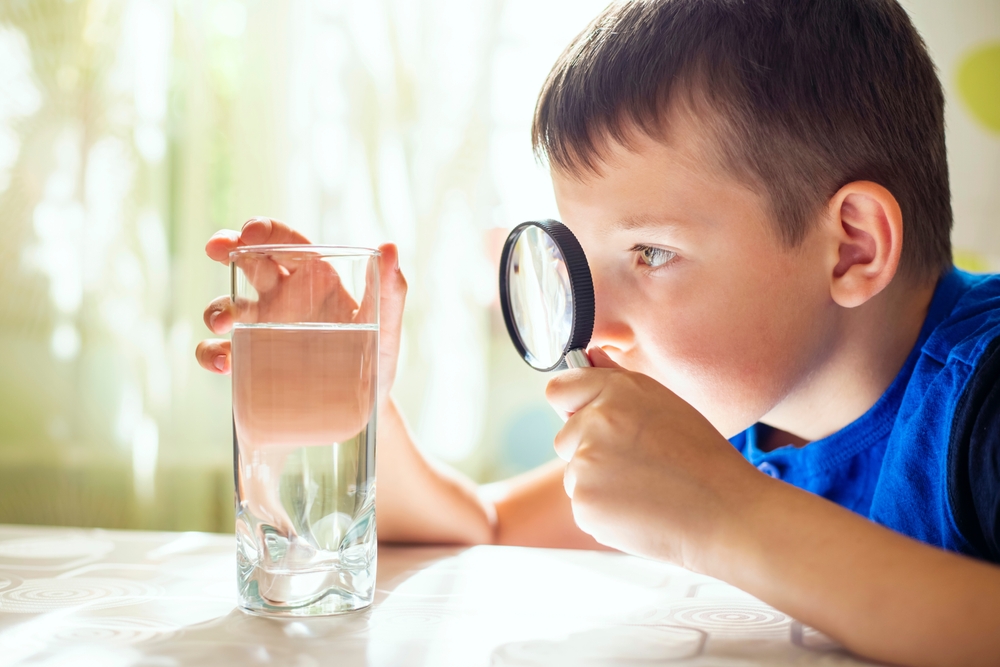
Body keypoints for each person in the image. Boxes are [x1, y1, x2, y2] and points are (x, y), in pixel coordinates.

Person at [196, 0, 1000, 664]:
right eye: (579, 266)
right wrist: (360, 416)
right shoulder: (738, 403)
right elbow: (485, 525)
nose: (598, 326)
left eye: (650, 252)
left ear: (853, 245)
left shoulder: (982, 389)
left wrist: (726, 514)